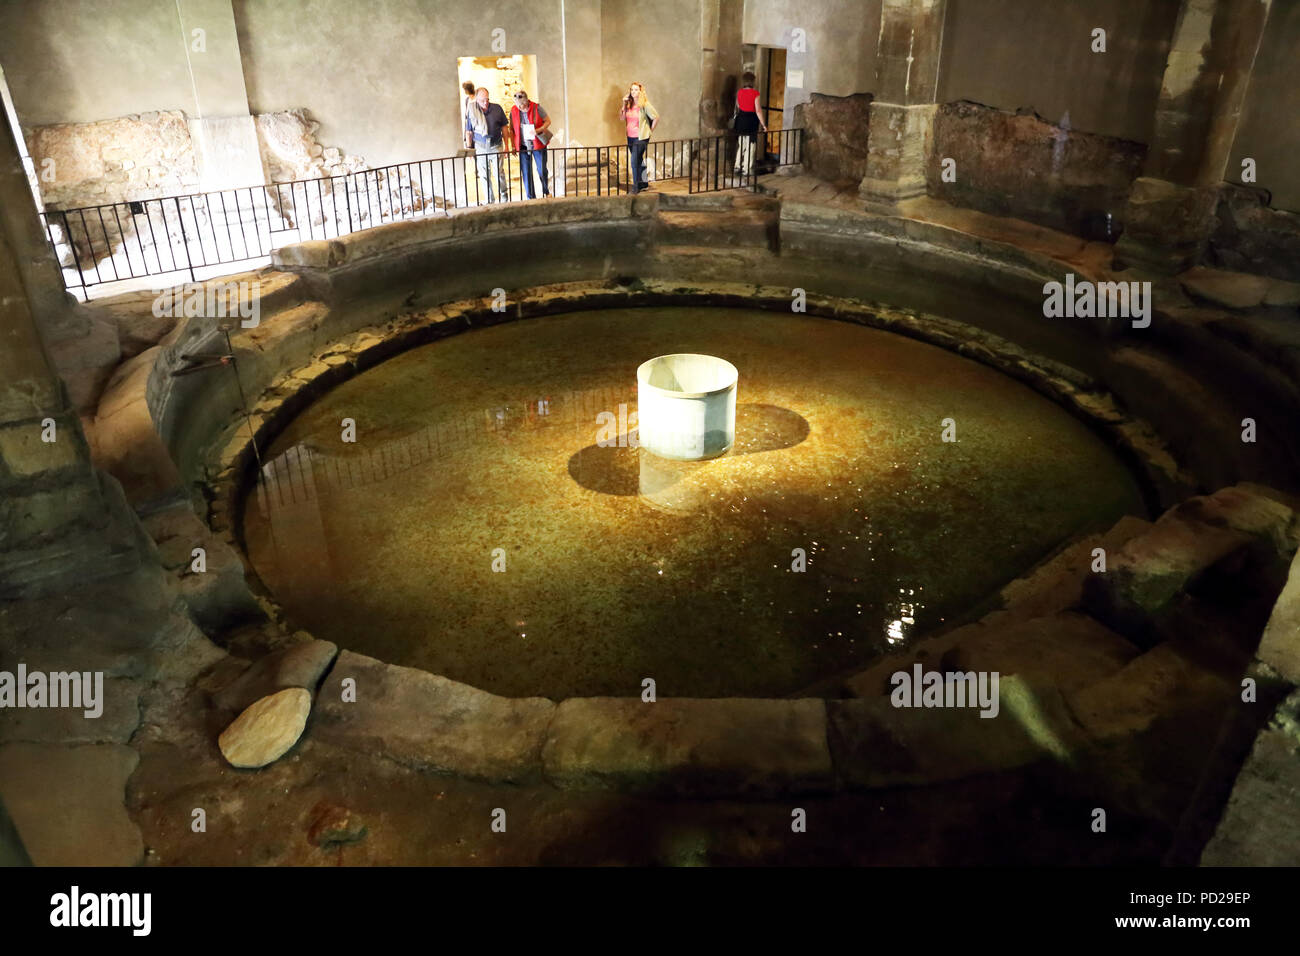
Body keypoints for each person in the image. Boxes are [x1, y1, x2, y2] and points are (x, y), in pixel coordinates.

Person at [464, 86, 511, 203]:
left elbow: (505, 128)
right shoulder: (472, 110)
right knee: (484, 175)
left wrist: (507, 146)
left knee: (498, 172)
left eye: (487, 99)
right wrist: (469, 150)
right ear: (476, 99)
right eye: (482, 100)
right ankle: (490, 200)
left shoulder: (497, 109)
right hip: (480, 146)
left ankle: (504, 197)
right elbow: (469, 131)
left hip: (496, 145)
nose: (485, 103)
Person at [509, 89, 552, 199]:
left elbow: (548, 121)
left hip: (538, 144)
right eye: (518, 105)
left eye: (522, 104)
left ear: (527, 101)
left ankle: (546, 191)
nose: (521, 107)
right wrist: (513, 145)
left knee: (542, 169)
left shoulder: (536, 108)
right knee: (526, 172)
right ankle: (530, 197)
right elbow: (512, 129)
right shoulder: (513, 110)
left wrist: (539, 130)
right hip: (523, 145)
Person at [619, 82, 659, 194]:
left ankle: (636, 187)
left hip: (641, 137)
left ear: (640, 91)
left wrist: (650, 131)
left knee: (634, 161)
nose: (633, 91)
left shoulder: (644, 104)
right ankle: (644, 184)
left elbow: (655, 117)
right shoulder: (628, 104)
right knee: (639, 159)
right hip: (630, 137)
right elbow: (622, 118)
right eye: (632, 89)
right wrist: (623, 103)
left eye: (636, 89)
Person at [733, 71, 767, 182]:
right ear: (752, 81)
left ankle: (737, 166)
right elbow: (757, 110)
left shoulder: (739, 92)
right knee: (751, 145)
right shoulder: (755, 93)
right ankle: (746, 169)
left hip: (741, 120)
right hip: (751, 121)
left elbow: (739, 106)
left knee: (741, 144)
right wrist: (763, 124)